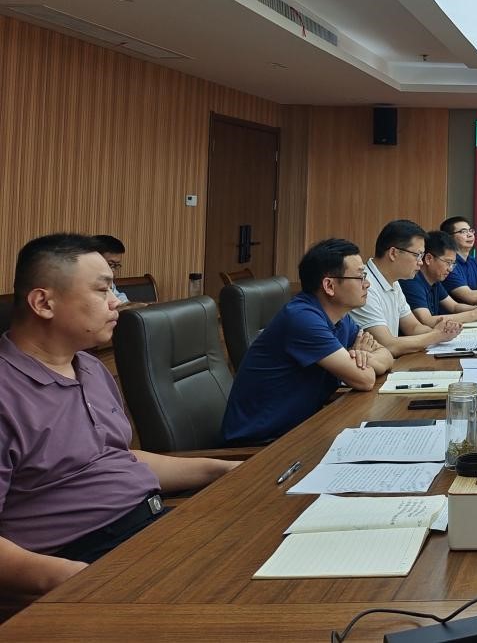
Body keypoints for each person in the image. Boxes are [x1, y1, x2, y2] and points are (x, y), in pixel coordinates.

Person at [1, 234, 236, 596]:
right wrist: (76, 580)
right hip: (84, 561)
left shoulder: (90, 367)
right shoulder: (7, 392)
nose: (116, 302)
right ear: (44, 303)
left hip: (153, 530)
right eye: (102, 290)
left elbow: (117, 458)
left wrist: (221, 470)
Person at [221, 238, 394, 445]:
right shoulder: (302, 319)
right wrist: (361, 362)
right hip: (262, 445)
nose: (367, 283)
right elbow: (364, 380)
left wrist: (361, 357)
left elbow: (387, 355)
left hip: (302, 429)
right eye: (360, 277)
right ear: (329, 285)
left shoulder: (341, 318)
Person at [350, 220, 462, 358]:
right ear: (393, 253)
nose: (420, 262)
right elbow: (388, 345)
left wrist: (443, 331)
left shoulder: (394, 281)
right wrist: (436, 335)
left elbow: (413, 327)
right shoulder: (364, 285)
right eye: (417, 255)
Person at [401, 230, 477, 327]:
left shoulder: (435, 280)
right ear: (428, 259)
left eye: (453, 264)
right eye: (448, 262)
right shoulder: (411, 281)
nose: (450, 269)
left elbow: (454, 306)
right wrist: (474, 314)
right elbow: (427, 320)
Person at [90, 234, 148, 310]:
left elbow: (122, 301)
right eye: (110, 264)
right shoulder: (84, 284)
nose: (113, 271)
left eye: (116, 265)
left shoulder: (109, 283)